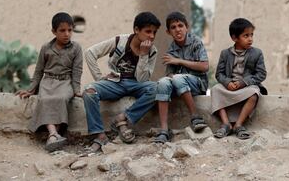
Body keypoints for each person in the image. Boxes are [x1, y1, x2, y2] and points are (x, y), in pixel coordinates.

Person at [82, 12, 161, 153]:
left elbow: (143, 79)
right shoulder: (119, 41)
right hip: (116, 83)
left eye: (154, 32)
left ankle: (123, 118)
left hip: (137, 84)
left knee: (158, 87)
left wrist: (143, 54)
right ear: (136, 30)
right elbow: (90, 53)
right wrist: (99, 78)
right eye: (148, 31)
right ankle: (99, 135)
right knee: (89, 91)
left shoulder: (152, 51)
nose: (152, 36)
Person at [15, 12, 83, 152]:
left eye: (70, 30)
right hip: (48, 82)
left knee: (61, 98)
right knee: (45, 98)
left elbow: (77, 71)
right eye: (62, 30)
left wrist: (76, 90)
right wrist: (31, 89)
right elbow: (39, 70)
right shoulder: (46, 48)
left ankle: (52, 136)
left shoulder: (76, 48)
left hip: (65, 82)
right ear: (54, 31)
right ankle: (53, 134)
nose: (67, 34)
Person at [153, 11, 209, 143]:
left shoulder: (196, 42)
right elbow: (170, 74)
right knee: (162, 82)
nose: (177, 30)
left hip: (197, 83)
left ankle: (196, 117)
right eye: (173, 27)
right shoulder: (171, 50)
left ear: (186, 27)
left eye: (180, 26)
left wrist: (179, 61)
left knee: (178, 78)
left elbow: (205, 66)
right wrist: (170, 77)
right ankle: (164, 130)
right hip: (179, 86)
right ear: (168, 32)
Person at [211, 18, 266, 140]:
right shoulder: (225, 53)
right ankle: (226, 124)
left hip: (247, 86)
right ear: (235, 38)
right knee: (215, 89)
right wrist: (227, 82)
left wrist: (244, 82)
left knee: (254, 94)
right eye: (246, 35)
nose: (250, 38)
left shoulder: (257, 53)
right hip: (229, 86)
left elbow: (261, 74)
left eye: (251, 35)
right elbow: (219, 74)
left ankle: (238, 125)